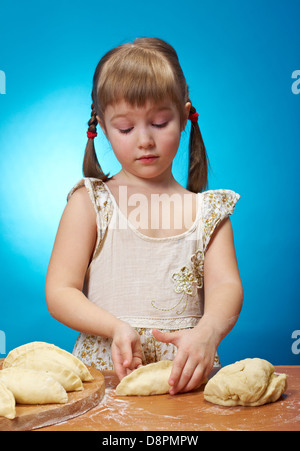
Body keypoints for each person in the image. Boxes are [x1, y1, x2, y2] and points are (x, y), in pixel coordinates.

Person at [45, 37, 243, 395]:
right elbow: (60, 290)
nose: (145, 140)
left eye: (160, 122)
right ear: (102, 127)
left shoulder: (209, 212)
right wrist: (116, 327)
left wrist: (208, 332)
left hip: (188, 374)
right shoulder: (90, 203)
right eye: (126, 128)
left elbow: (225, 286)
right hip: (106, 372)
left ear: (184, 117)